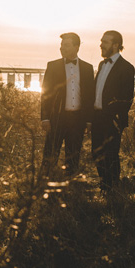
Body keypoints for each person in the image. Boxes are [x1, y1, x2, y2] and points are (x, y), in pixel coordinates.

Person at [40, 32, 95, 176]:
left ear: (76, 47)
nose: (61, 48)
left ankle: (70, 187)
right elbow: (45, 93)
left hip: (78, 119)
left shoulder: (88, 68)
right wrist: (45, 117)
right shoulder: (52, 66)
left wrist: (89, 120)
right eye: (61, 45)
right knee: (50, 154)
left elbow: (89, 95)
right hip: (57, 117)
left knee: (74, 155)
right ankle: (44, 186)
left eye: (66, 45)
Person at [91, 30, 135, 193]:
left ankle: (112, 187)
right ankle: (105, 183)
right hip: (97, 117)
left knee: (110, 154)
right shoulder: (102, 64)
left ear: (116, 45)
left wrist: (115, 118)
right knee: (96, 153)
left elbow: (126, 98)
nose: (101, 45)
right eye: (101, 41)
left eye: (105, 42)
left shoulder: (127, 68)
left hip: (112, 119)